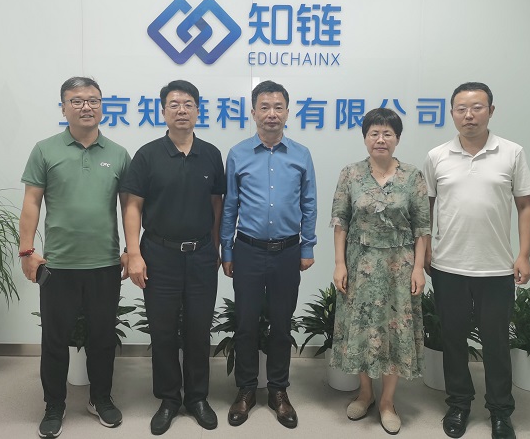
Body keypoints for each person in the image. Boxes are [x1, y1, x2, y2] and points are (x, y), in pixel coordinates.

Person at [423, 82, 530, 439]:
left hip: (496, 268)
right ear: (452, 113)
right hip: (448, 267)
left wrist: (523, 254)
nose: (469, 115)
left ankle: (501, 412)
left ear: (491, 110)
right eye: (461, 109)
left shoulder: (512, 153)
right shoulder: (437, 156)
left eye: (477, 107)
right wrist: (425, 249)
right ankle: (459, 405)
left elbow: (525, 206)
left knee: (496, 343)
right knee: (453, 340)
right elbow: (426, 208)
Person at [19, 76, 131, 439]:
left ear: (102, 106)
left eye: (93, 100)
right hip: (58, 265)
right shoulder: (45, 150)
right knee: (54, 340)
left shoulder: (118, 154)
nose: (87, 107)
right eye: (77, 101)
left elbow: (129, 207)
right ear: (64, 107)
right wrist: (26, 250)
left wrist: (131, 250)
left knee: (102, 337)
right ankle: (54, 405)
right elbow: (31, 203)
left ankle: (101, 398)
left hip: (105, 264)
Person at [120, 80, 225, 436]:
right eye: (174, 104)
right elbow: (132, 206)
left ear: (198, 110)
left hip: (201, 255)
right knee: (163, 330)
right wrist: (134, 253)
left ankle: (197, 397)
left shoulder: (210, 154)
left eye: (188, 104)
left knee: (198, 328)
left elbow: (216, 203)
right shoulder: (148, 155)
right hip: (159, 255)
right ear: (163, 111)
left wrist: (216, 247)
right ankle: (168, 398)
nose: (182, 110)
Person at [220, 80, 317, 429]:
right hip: (247, 250)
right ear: (253, 112)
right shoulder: (238, 154)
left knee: (281, 323)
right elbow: (230, 205)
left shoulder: (301, 154)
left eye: (278, 107)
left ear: (288, 113)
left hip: (287, 252)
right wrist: (226, 249)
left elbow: (309, 202)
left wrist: (307, 245)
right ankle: (246, 389)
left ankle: (278, 390)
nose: (271, 114)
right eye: (264, 107)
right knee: (246, 324)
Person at [330, 107, 430, 435]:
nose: (380, 139)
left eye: (387, 133)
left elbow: (422, 227)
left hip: (400, 267)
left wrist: (419, 268)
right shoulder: (350, 174)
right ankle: (365, 393)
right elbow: (340, 221)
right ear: (365, 138)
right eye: (374, 133)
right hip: (360, 264)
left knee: (394, 329)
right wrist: (340, 263)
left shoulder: (412, 176)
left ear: (397, 138)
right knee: (361, 327)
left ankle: (387, 401)